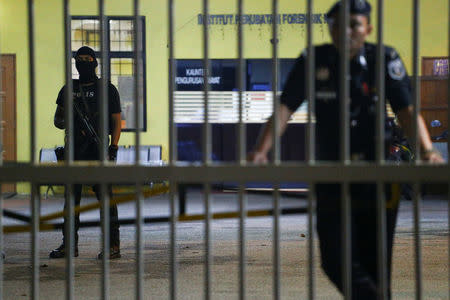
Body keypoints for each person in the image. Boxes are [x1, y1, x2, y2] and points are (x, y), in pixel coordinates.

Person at [248, 0, 443, 298]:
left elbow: (406, 110)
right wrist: (261, 151)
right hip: (331, 173)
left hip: (378, 177)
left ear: (368, 28)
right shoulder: (314, 58)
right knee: (333, 259)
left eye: (353, 24)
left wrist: (428, 151)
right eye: (337, 24)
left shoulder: (384, 58)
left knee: (376, 265)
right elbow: (285, 108)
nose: (345, 31)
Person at [50, 46, 122, 260]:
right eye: (79, 59)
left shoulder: (107, 89)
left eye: (87, 58)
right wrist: (72, 120)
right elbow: (58, 121)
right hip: (74, 152)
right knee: (71, 202)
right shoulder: (68, 89)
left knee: (106, 199)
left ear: (94, 62)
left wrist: (114, 147)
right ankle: (69, 245)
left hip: (99, 150)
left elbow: (117, 121)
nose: (83, 62)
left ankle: (113, 246)